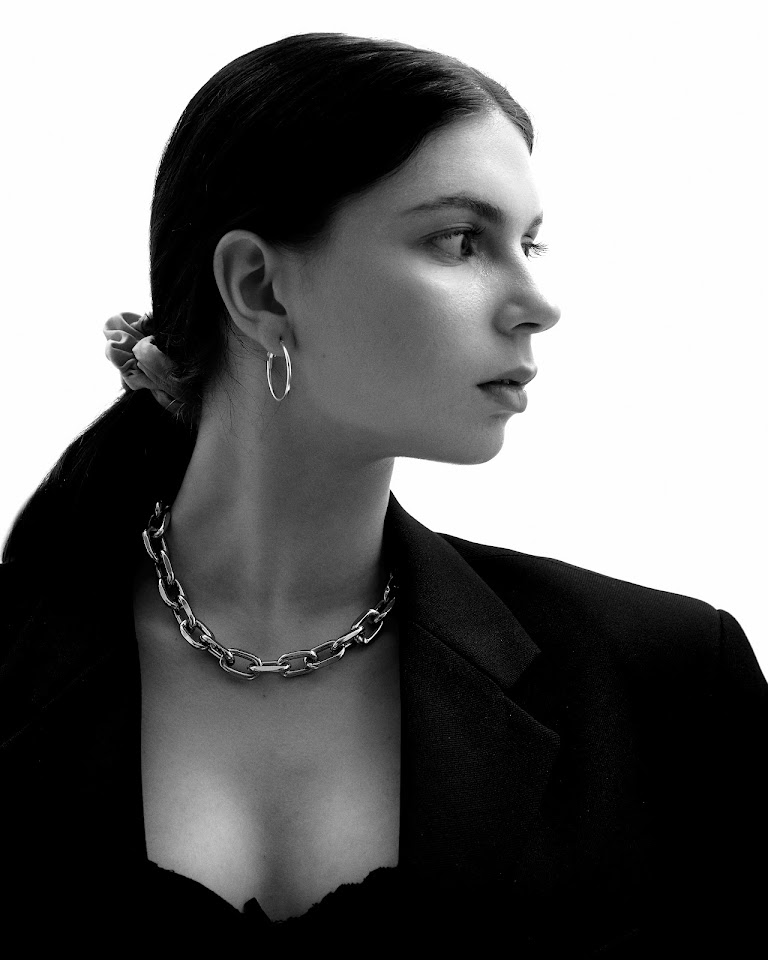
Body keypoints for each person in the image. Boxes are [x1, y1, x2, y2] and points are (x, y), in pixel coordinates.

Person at [1, 32, 765, 956]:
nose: (538, 301)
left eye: (529, 243)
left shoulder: (668, 681)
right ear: (260, 289)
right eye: (460, 241)